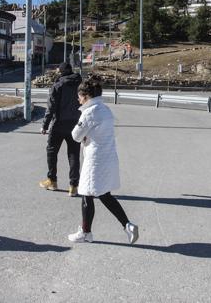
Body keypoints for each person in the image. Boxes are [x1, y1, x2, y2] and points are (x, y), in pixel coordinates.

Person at [67, 75, 139, 244]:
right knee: (105, 195)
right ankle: (127, 225)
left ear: (85, 96)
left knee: (86, 193)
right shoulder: (105, 109)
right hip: (108, 157)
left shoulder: (88, 113)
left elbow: (75, 136)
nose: (78, 100)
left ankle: (86, 233)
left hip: (94, 159)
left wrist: (85, 137)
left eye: (79, 97)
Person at [39, 62, 82, 196]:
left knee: (52, 152)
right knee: (74, 154)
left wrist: (45, 125)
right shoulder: (80, 84)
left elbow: (51, 107)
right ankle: (74, 186)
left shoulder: (58, 85)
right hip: (75, 124)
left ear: (61, 71)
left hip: (59, 124)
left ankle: (52, 181)